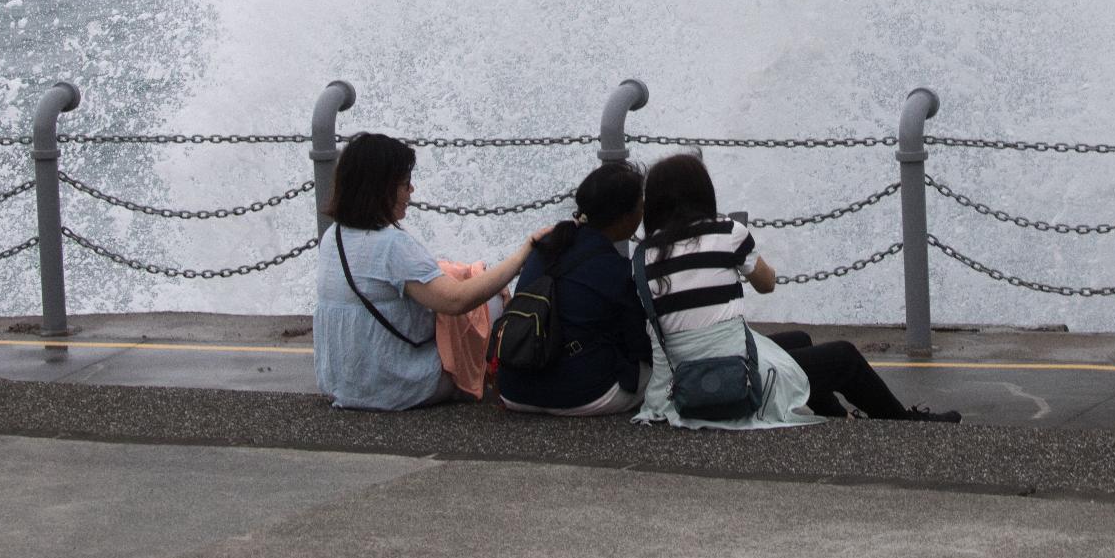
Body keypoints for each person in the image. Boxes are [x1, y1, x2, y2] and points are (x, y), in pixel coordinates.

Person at [633, 152, 959, 426]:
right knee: (843, 356)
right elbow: (767, 284)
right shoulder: (728, 233)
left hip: (677, 386)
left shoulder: (642, 256)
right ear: (703, 195)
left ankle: (839, 417)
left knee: (799, 340)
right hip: (732, 384)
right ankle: (904, 423)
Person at [314, 132, 541, 411]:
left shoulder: (333, 237)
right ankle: (500, 383)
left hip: (343, 385)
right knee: (491, 301)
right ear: (382, 189)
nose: (411, 192)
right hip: (393, 386)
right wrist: (524, 252)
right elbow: (457, 300)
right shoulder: (392, 245)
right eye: (405, 184)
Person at [496, 161, 652, 416]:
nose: (642, 211)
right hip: (578, 394)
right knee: (658, 376)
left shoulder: (547, 244)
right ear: (624, 216)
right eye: (640, 205)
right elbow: (639, 345)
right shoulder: (615, 268)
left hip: (513, 388)